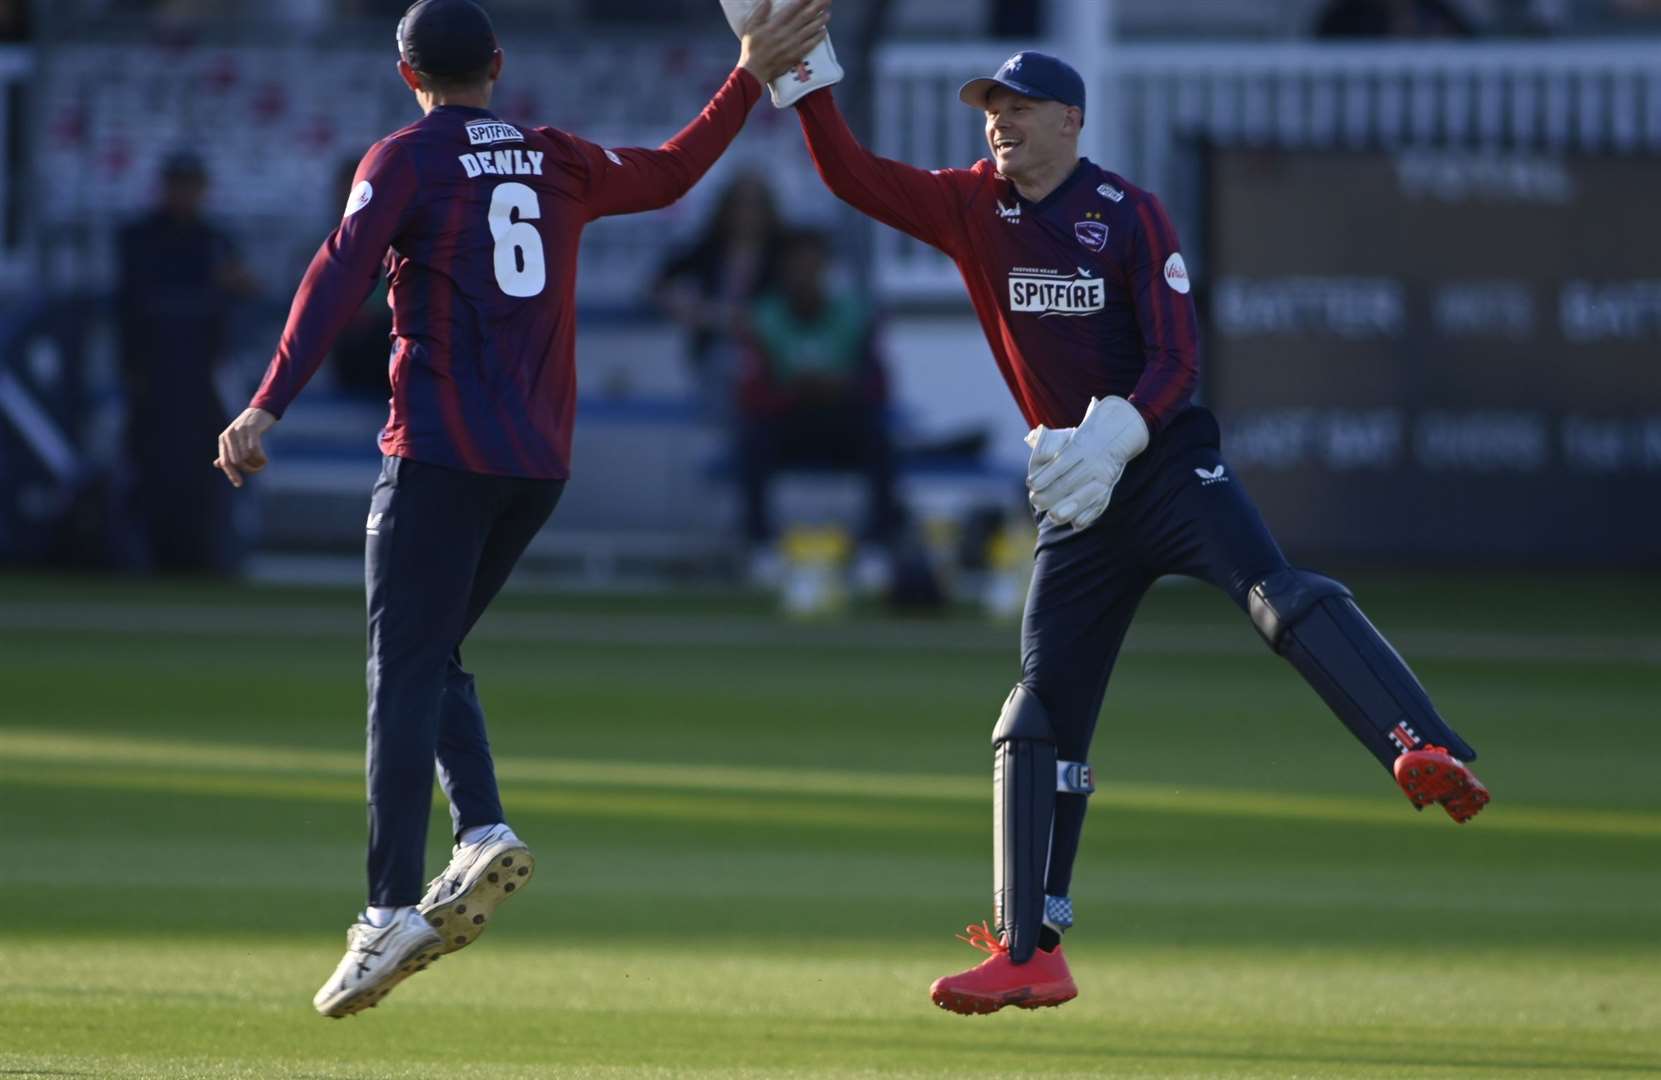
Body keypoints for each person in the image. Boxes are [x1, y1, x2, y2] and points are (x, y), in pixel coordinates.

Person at [789, 49, 1492, 1015]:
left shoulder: (1126, 212)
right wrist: (800, 76)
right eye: (990, 107)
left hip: (1164, 471)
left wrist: (1116, 431)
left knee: (1275, 593)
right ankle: (1028, 947)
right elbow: (848, 174)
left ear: (1071, 121)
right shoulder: (967, 206)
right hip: (1080, 502)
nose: (1000, 122)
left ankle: (1423, 746)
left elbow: (1175, 360)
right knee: (1038, 713)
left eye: (1022, 107)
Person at [210, 0, 831, 1018]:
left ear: (407, 75)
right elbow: (675, 172)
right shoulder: (555, 157)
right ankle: (485, 829)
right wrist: (748, 75)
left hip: (439, 452)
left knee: (399, 671)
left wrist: (266, 400)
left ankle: (382, 909)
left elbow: (338, 273)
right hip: (536, 465)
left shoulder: (404, 158)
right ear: (497, 65)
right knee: (436, 646)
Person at [117, 150, 258, 574]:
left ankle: (200, 559)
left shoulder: (214, 240)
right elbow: (137, 305)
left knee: (201, 475)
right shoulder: (141, 238)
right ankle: (146, 560)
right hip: (154, 377)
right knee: (153, 471)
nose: (184, 194)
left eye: (191, 185)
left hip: (203, 378)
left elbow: (243, 291)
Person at [734, 226, 900, 567]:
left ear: (824, 269)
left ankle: (876, 546)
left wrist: (842, 386)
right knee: (751, 441)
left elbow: (879, 384)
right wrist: (792, 390)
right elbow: (750, 391)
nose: (804, 276)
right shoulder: (764, 318)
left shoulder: (854, 314)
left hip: (840, 421)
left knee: (880, 440)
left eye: (812, 266)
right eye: (796, 267)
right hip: (787, 421)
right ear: (783, 271)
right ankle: (760, 546)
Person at [655, 171, 786, 413]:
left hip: (767, 352)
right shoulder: (709, 247)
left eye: (754, 206)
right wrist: (681, 303)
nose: (747, 215)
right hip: (713, 348)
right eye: (740, 205)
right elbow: (660, 280)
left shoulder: (782, 252)